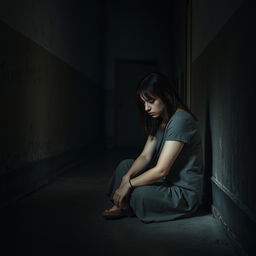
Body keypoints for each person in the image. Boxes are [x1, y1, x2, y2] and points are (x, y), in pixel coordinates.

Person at [102, 72, 204, 223]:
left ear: (167, 95)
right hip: (165, 182)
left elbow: (162, 170)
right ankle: (123, 205)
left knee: (139, 193)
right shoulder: (160, 119)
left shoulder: (181, 120)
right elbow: (145, 156)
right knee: (125, 166)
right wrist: (126, 178)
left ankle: (127, 203)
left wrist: (129, 185)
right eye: (143, 103)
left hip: (181, 193)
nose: (146, 108)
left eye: (150, 101)